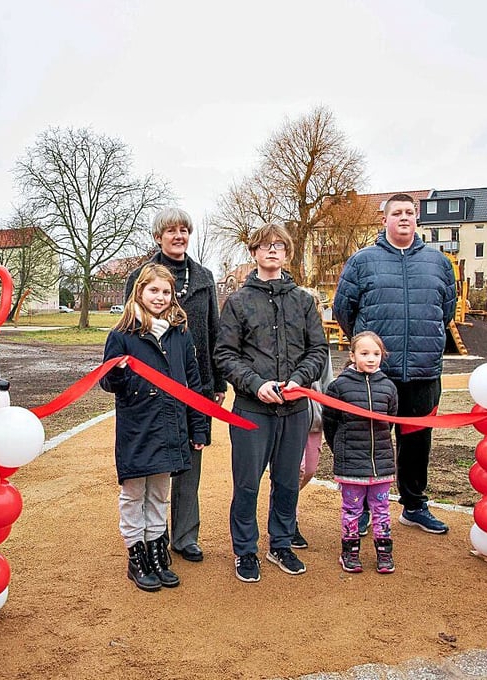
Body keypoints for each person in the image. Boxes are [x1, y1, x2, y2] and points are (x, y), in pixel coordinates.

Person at [332, 193, 457, 534]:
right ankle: (362, 510)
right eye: (397, 213)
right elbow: (344, 310)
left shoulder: (438, 263)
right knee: (370, 439)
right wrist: (368, 349)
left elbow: (446, 311)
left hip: (422, 370)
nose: (404, 217)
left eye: (410, 212)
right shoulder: (362, 261)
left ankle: (414, 505)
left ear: (417, 219)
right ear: (383, 220)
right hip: (375, 373)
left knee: (416, 442)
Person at [214, 224, 329, 583]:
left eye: (279, 246)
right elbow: (225, 354)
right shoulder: (237, 302)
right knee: (247, 483)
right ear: (254, 253)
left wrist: (299, 380)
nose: (273, 251)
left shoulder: (303, 300)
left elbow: (318, 350)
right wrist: (255, 384)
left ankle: (280, 542)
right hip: (252, 409)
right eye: (266, 246)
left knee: (287, 481)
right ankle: (245, 550)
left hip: (294, 409)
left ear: (286, 253)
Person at [124, 207, 225, 562]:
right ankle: (153, 536)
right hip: (152, 388)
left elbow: (214, 330)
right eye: (172, 231)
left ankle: (184, 534)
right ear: (158, 236)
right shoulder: (141, 276)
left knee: (189, 457)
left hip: (194, 383)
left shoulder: (204, 277)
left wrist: (216, 381)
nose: (179, 236)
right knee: (154, 461)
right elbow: (129, 332)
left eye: (184, 229)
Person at [102, 264, 209, 592]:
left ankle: (156, 549)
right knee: (135, 494)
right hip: (138, 428)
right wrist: (119, 372)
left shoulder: (180, 333)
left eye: (166, 292)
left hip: (170, 427)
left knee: (160, 494)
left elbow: (193, 382)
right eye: (154, 291)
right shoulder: (121, 335)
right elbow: (108, 382)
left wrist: (199, 427)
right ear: (140, 292)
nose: (160, 297)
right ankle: (137, 555)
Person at [323, 331, 398, 574]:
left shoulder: (388, 386)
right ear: (352, 355)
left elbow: (391, 421)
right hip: (351, 464)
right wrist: (341, 452)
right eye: (364, 353)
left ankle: (384, 552)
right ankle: (350, 551)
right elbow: (330, 423)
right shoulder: (339, 386)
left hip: (381, 464)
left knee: (381, 509)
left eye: (376, 354)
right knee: (352, 509)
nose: (371, 358)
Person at [292, 288, 334, 551]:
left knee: (309, 470)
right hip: (292, 417)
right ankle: (287, 520)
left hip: (316, 419)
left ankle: (286, 510)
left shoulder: (322, 347)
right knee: (291, 472)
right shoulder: (289, 342)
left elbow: (328, 381)